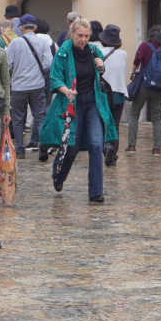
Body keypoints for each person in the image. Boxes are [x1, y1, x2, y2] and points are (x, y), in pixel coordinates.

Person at [41, 17, 116, 203]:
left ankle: (96, 192)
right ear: (72, 34)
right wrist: (66, 90)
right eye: (80, 35)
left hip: (92, 102)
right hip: (71, 103)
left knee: (97, 145)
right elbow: (55, 77)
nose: (83, 39)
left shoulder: (93, 50)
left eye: (86, 36)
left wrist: (101, 67)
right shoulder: (64, 53)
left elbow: (100, 71)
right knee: (71, 146)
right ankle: (59, 175)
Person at [5, 14, 54, 159]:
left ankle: (19, 149)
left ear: (20, 27)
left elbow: (8, 64)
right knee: (40, 117)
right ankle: (43, 145)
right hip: (37, 85)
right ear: (35, 27)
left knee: (18, 118)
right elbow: (48, 64)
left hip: (18, 86)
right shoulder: (43, 42)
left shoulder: (15, 43)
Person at [126, 25, 161, 156]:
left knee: (134, 113)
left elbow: (137, 60)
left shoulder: (145, 46)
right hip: (160, 87)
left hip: (144, 85)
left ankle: (132, 146)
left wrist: (133, 73)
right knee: (156, 117)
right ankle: (157, 148)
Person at [98, 24, 127, 165]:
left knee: (103, 122)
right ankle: (112, 151)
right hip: (119, 94)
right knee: (115, 124)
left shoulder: (98, 51)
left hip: (103, 93)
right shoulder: (123, 54)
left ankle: (105, 147)